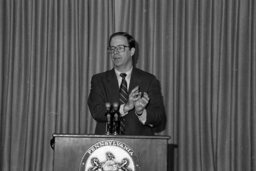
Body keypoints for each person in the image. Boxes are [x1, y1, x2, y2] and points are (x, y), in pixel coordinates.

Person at [87, 32, 166, 135]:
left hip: (140, 145)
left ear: (132, 51)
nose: (115, 52)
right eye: (112, 48)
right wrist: (124, 108)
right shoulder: (99, 80)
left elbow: (159, 118)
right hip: (108, 144)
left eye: (120, 48)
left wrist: (141, 112)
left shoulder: (149, 80)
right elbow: (97, 111)